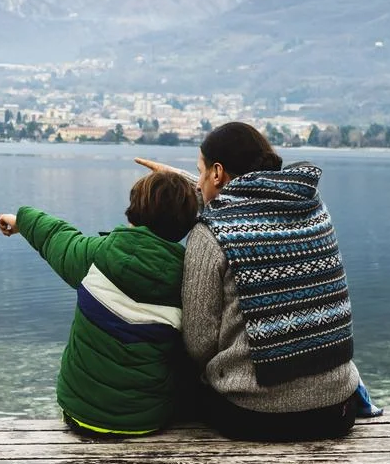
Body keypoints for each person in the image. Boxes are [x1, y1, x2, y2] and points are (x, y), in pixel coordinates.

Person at [138, 122, 376, 441]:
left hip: (254, 416)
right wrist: (183, 181)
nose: (199, 183)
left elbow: (199, 345)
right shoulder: (312, 209)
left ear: (218, 173)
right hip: (337, 410)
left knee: (177, 371)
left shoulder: (209, 233)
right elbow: (251, 202)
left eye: (201, 172)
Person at [0, 170, 197, 436]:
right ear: (184, 226)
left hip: (81, 414)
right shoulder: (188, 279)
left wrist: (20, 220)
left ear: (132, 211)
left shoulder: (95, 256)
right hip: (145, 422)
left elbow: (54, 237)